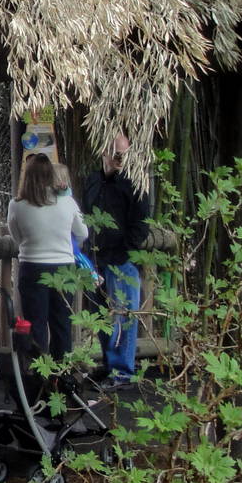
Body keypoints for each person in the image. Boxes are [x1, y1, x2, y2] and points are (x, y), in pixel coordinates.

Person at [80, 134, 152, 385]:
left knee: (123, 316)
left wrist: (125, 252)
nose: (121, 159)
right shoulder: (92, 181)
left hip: (121, 259)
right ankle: (110, 364)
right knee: (100, 314)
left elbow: (141, 225)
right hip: (96, 257)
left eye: (125, 154)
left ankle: (122, 370)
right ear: (104, 153)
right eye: (117, 154)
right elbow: (85, 216)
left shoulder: (135, 182)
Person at [6, 152, 88, 364]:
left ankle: (39, 376)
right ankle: (63, 376)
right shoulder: (67, 202)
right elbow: (83, 233)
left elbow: (16, 237)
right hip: (64, 268)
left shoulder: (16, 205)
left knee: (36, 324)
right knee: (62, 324)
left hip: (32, 267)